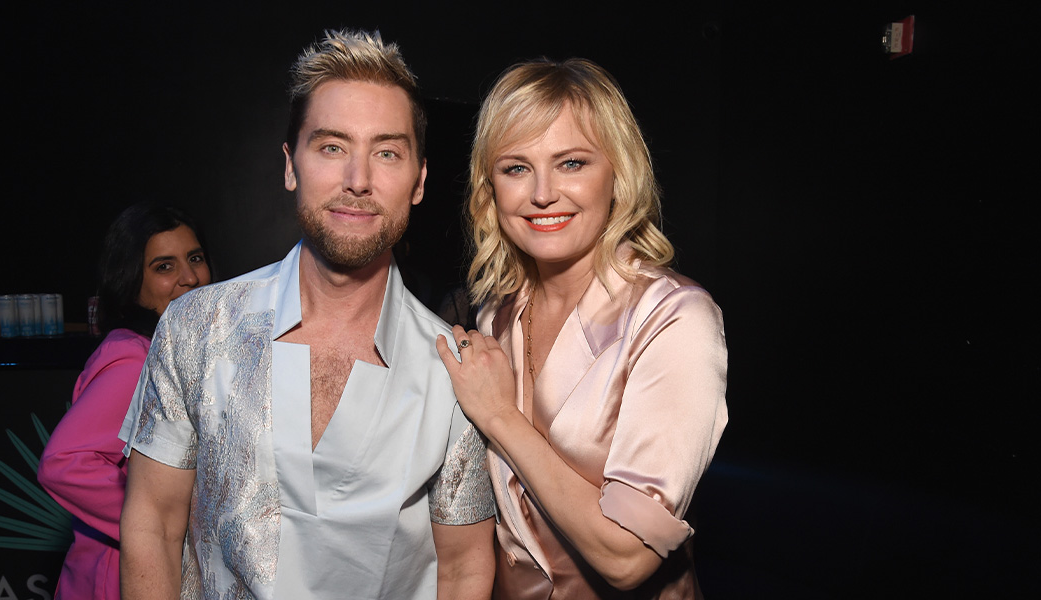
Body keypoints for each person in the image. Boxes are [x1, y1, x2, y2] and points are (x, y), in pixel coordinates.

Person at [117, 30, 495, 600]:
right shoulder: (197, 327)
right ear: (291, 165)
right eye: (332, 147)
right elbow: (152, 522)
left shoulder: (454, 369)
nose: (358, 180)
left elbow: (465, 569)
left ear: (418, 181)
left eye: (387, 152)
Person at [436, 58, 728, 599]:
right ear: (490, 188)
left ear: (618, 174)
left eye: (571, 163)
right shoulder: (494, 316)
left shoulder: (675, 318)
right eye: (516, 168)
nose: (543, 193)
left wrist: (500, 415)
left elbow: (629, 556)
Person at [37, 203, 212, 600]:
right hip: (118, 578)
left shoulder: (172, 350)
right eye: (164, 267)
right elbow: (64, 464)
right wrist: (159, 525)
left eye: (195, 258)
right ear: (132, 282)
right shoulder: (135, 358)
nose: (190, 277)